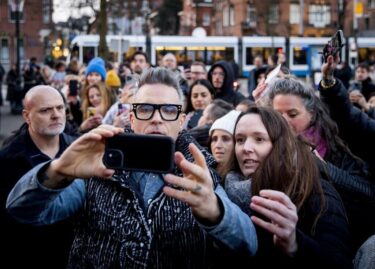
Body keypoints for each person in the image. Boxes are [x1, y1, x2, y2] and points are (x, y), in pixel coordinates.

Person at [7, 67, 257, 268]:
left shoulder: (200, 168)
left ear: (181, 121)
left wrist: (214, 210)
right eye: (146, 109)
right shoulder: (99, 160)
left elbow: (248, 244)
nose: (157, 118)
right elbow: (22, 211)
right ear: (133, 117)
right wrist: (57, 170)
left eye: (169, 110)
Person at [222, 106, 352, 268]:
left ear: (280, 144)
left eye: (259, 139)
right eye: (240, 140)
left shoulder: (315, 191)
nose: (246, 148)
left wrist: (295, 243)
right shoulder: (222, 189)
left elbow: (339, 261)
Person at [267, 76, 374, 252]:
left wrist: (322, 167)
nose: (284, 121)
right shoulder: (263, 146)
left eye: (292, 114)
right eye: (277, 115)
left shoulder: (337, 144)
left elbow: (366, 192)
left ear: (312, 113)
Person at [0, 85, 75, 268]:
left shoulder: (78, 150)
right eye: (45, 110)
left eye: (59, 108)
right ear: (27, 116)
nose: (56, 114)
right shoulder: (8, 159)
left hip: (74, 254)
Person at [209, 110, 241, 178]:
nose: (217, 145)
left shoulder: (238, 179)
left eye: (225, 139)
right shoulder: (207, 169)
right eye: (214, 139)